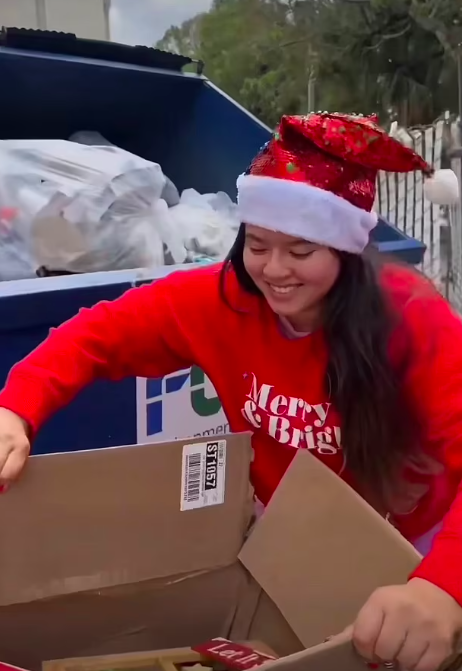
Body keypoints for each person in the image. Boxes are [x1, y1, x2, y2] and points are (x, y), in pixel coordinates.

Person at [0, 112, 461, 671]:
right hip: (295, 532)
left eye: (300, 250)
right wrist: (16, 408)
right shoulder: (222, 302)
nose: (274, 271)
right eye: (259, 245)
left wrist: (444, 584)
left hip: (417, 536)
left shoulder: (411, 317)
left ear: (344, 249)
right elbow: (97, 335)